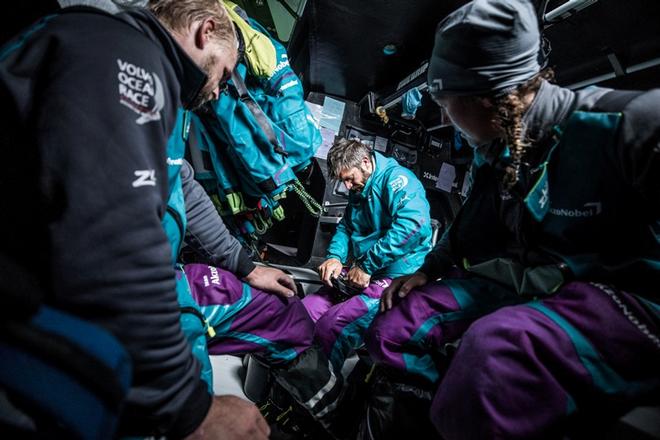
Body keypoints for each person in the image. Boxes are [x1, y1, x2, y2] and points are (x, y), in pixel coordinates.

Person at [364, 0, 660, 438]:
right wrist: (430, 269)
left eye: (448, 102)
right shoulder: (499, 149)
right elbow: (470, 227)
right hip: (534, 283)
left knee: (496, 354)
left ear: (489, 97)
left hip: (626, 295)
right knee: (392, 328)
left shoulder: (626, 124)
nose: (444, 116)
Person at [0, 0, 273, 438]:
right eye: (223, 73)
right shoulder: (128, 57)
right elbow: (114, 237)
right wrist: (188, 408)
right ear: (206, 31)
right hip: (36, 335)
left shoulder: (151, 81)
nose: (219, 91)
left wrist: (244, 263)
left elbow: (178, 185)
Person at [304, 138, 432, 372]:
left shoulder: (396, 180)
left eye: (350, 178)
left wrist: (367, 266)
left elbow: (415, 225)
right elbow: (347, 227)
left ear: (365, 162)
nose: (348, 186)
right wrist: (335, 257)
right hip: (364, 269)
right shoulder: (360, 188)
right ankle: (289, 378)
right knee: (306, 310)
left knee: (334, 325)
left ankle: (319, 393)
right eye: (344, 182)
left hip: (397, 274)